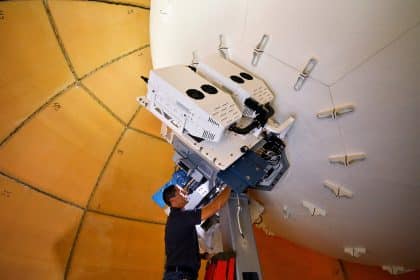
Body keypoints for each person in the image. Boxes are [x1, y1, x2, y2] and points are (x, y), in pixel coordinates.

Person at [162, 184, 231, 280]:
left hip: (179, 274)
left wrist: (203, 256)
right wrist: (231, 186)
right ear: (173, 200)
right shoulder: (180, 217)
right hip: (179, 276)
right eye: (181, 192)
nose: (186, 192)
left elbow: (180, 249)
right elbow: (215, 207)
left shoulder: (176, 218)